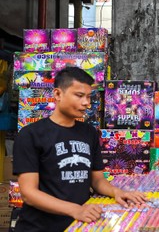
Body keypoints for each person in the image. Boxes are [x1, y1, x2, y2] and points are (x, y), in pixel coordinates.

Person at [13, 67, 147, 231]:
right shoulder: (31, 134)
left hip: (78, 226)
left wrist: (116, 192)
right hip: (38, 227)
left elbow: (97, 180)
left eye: (88, 97)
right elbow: (29, 193)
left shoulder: (88, 132)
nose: (86, 103)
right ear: (57, 94)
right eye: (79, 96)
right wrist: (75, 210)